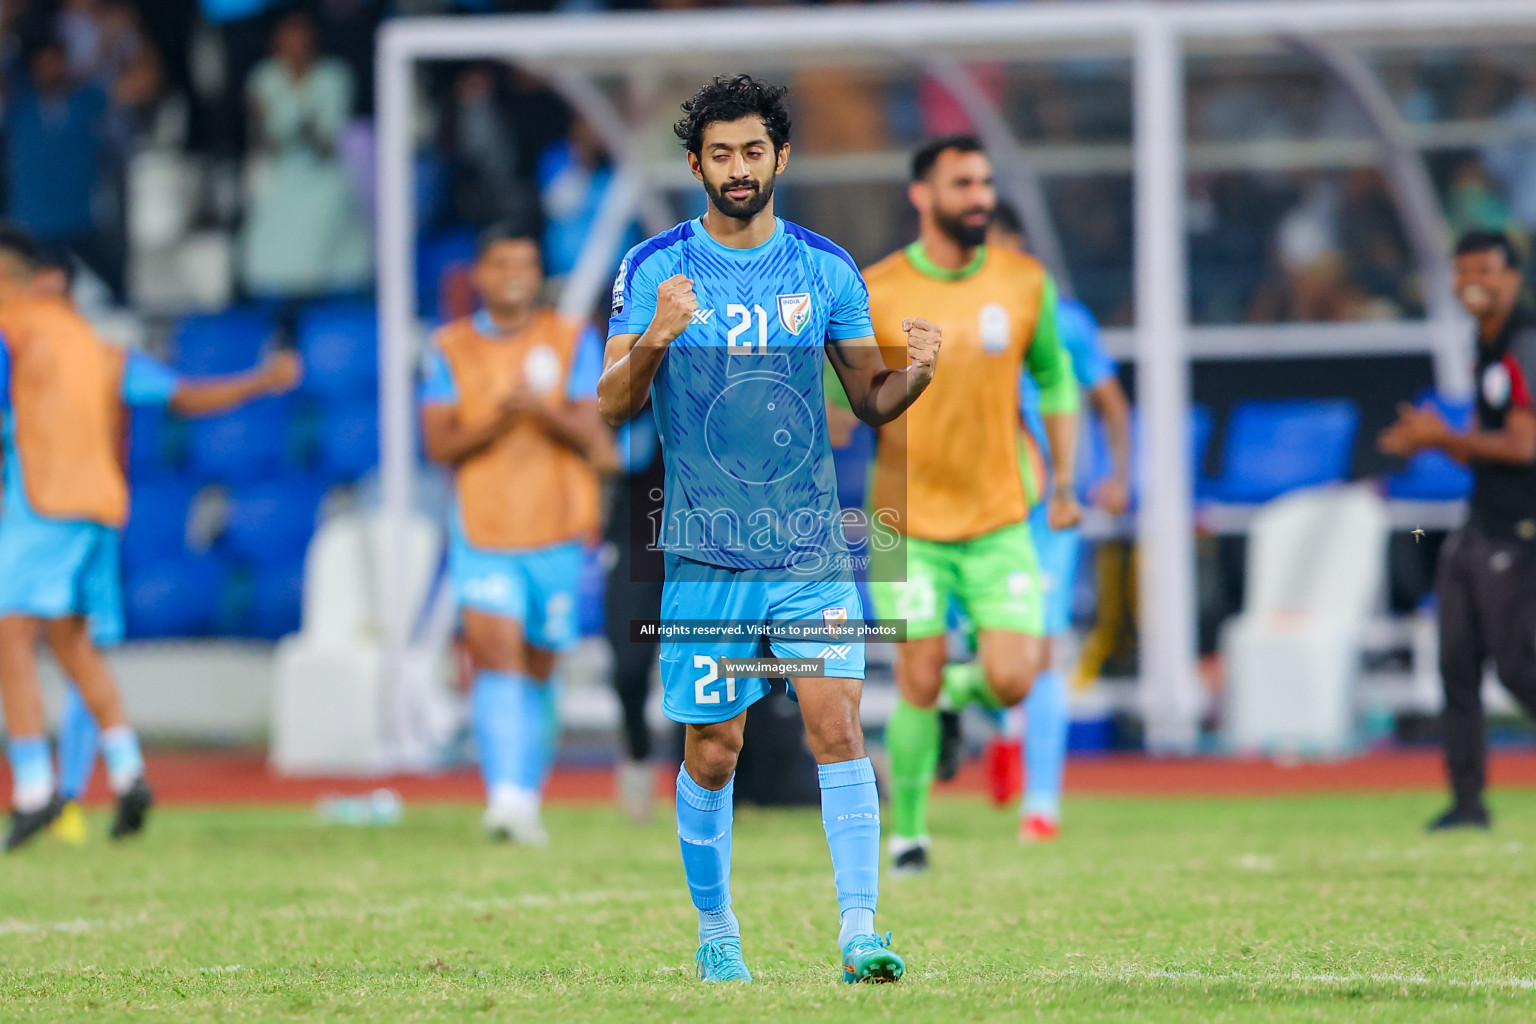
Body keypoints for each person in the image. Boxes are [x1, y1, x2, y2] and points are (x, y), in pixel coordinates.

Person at [598, 75, 941, 985]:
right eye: (721, 154)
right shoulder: (652, 269)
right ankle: (717, 932)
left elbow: (870, 399)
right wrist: (656, 336)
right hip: (706, 557)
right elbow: (610, 406)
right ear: (695, 164)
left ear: (780, 158)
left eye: (754, 152)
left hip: (809, 550)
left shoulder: (825, 268)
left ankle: (860, 930)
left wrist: (914, 377)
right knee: (715, 750)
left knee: (839, 727)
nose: (738, 169)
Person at [0, 227, 302, 851]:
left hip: (41, 508)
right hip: (96, 514)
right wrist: (262, 380)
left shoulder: (23, 325)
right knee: (78, 647)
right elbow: (184, 395)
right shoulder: (108, 353)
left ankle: (37, 789)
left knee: (13, 633)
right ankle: (129, 770)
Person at [856, 136, 1081, 875]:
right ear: (923, 195)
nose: (979, 196)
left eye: (985, 182)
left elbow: (1055, 382)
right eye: (963, 184)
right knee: (913, 671)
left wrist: (1068, 483)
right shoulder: (876, 291)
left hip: (999, 517)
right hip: (904, 520)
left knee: (1015, 675)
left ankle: (954, 690)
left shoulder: (1024, 282)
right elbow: (845, 405)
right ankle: (910, 836)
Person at [419, 223, 610, 847]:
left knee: (538, 665)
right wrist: (501, 418)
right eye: (502, 264)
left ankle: (525, 794)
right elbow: (439, 441)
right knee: (494, 655)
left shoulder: (570, 338)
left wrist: (541, 410)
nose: (515, 276)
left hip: (557, 528)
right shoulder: (449, 348)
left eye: (525, 264)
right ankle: (503, 798)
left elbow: (592, 431)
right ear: (480, 273)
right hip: (483, 528)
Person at [982, 201, 1132, 843]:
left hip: (1048, 510)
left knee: (1040, 650)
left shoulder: (1064, 320)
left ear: (1019, 244)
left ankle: (1041, 803)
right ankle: (1000, 732)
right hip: (978, 506)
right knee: (972, 651)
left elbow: (1109, 401)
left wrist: (1119, 474)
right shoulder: (957, 320)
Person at [1379, 229, 1536, 832]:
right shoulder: (1488, 343)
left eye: (1486, 270)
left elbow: (1524, 445)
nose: (1472, 280)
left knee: (1517, 666)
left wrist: (1440, 437)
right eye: (1462, 269)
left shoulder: (1524, 341)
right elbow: (1488, 446)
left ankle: (1470, 799)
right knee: (1456, 661)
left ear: (1513, 278)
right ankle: (1467, 803)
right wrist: (1437, 442)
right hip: (1481, 520)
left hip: (1518, 527)